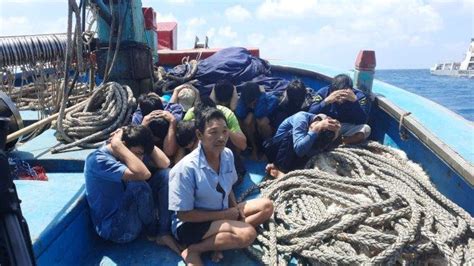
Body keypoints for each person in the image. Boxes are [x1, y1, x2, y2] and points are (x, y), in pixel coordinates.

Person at [169, 108, 274, 265]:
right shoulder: (185, 169)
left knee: (267, 206)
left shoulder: (227, 155)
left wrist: (236, 211)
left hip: (221, 210)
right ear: (199, 135)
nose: (221, 137)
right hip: (191, 225)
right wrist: (225, 215)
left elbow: (228, 187)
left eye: (225, 131)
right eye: (213, 132)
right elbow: (184, 215)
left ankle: (219, 240)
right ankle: (195, 249)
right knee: (248, 234)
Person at [84, 125, 180, 254]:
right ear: (123, 146)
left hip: (131, 213)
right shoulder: (98, 160)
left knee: (166, 175)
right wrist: (119, 145)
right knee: (138, 184)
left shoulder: (129, 150)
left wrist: (143, 135)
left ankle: (163, 233)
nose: (140, 158)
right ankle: (152, 231)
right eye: (138, 154)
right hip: (116, 229)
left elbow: (165, 163)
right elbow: (143, 175)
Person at [264, 112, 341, 178]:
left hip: (293, 153)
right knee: (294, 135)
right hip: (274, 150)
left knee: (315, 141)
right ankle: (279, 168)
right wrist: (316, 129)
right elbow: (299, 150)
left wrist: (335, 136)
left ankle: (293, 169)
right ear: (317, 120)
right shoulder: (301, 117)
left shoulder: (318, 128)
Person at [308, 74, 371, 144]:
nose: (340, 97)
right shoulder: (323, 92)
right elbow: (310, 113)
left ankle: (340, 142)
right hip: (326, 125)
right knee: (318, 117)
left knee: (366, 129)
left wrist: (355, 103)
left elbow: (363, 120)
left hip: (345, 127)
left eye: (343, 94)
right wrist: (326, 101)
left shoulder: (359, 97)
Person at [235, 81, 279, 159]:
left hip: (266, 131)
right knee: (245, 121)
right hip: (251, 132)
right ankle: (253, 148)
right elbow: (239, 113)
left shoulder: (270, 99)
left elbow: (262, 114)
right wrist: (251, 113)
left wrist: (255, 114)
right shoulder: (243, 101)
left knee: (262, 122)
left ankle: (267, 150)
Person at [132, 93, 180, 157]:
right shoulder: (138, 118)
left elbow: (169, 152)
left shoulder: (174, 111)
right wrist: (143, 127)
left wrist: (172, 122)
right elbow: (135, 146)